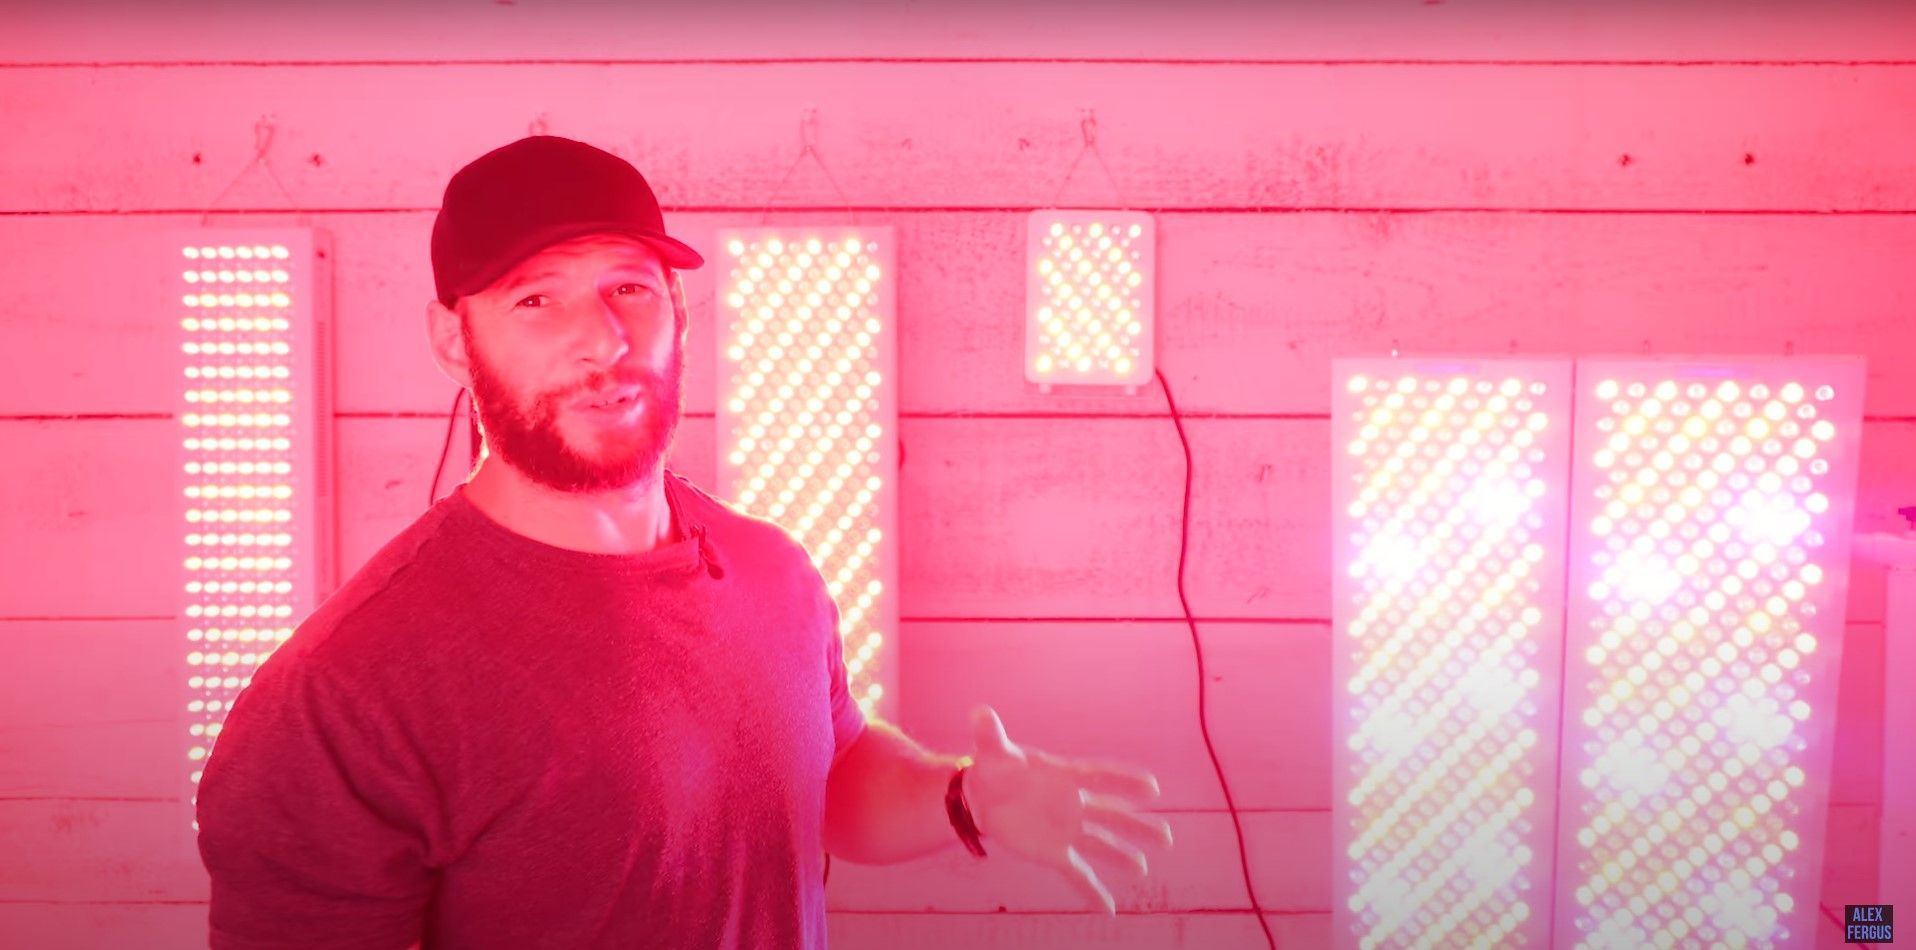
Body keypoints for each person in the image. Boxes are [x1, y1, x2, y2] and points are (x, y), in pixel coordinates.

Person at [195, 135, 1172, 949]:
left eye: (631, 288)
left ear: (679, 315)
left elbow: (823, 780)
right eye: (537, 298)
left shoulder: (771, 572)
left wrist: (963, 797)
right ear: (454, 339)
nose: (603, 339)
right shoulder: (344, 691)